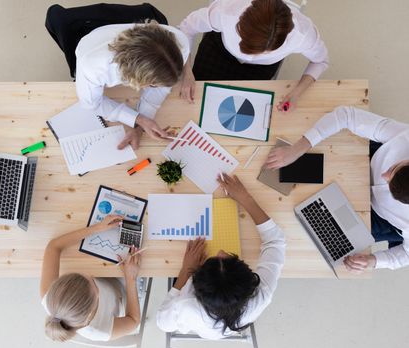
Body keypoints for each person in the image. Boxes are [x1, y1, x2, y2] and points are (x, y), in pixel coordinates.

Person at [265, 106, 409, 272]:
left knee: (309, 236)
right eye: (394, 168)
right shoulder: (405, 139)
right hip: (366, 161)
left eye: (390, 183)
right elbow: (346, 115)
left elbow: (406, 255)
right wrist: (296, 149)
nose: (384, 176)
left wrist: (373, 261)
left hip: (378, 217)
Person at [156, 174, 286, 339]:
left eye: (217, 258)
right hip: (228, 326)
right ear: (249, 280)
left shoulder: (186, 307)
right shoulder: (262, 295)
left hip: (209, 330)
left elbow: (162, 323)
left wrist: (185, 271)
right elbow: (275, 241)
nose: (221, 252)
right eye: (231, 259)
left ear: (196, 285)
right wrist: (246, 198)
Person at [178, 0, 329, 111]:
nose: (250, 56)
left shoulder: (302, 34)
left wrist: (297, 92)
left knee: (244, 111)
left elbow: (321, 61)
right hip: (219, 52)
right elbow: (186, 28)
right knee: (194, 103)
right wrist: (186, 72)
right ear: (240, 23)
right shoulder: (226, 11)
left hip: (259, 70)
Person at [74, 21, 190, 150]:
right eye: (153, 84)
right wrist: (138, 119)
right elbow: (92, 104)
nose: (158, 87)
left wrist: (141, 127)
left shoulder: (180, 43)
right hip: (91, 44)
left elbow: (161, 88)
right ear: (137, 80)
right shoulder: (94, 68)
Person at [40, 215, 143, 342]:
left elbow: (53, 246)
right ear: (95, 300)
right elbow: (134, 320)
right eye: (90, 281)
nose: (90, 275)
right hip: (121, 291)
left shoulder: (49, 296)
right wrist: (130, 278)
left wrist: (97, 228)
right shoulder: (100, 331)